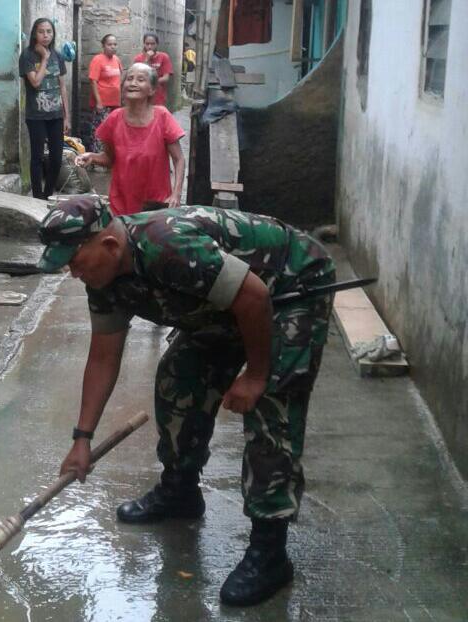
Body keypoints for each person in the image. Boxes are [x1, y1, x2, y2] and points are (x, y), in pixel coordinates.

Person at [36, 196, 335, 607]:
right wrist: (81, 439)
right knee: (179, 379)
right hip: (226, 303)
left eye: (75, 261)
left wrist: (256, 375)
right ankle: (180, 490)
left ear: (108, 245)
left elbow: (253, 297)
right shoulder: (104, 279)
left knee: (272, 408)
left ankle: (270, 550)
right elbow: (103, 357)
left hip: (289, 285)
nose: (73, 272)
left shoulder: (168, 247)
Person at [74, 63, 185, 215]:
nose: (133, 83)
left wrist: (176, 194)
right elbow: (109, 158)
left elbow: (179, 159)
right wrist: (91, 157)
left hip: (156, 204)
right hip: (121, 204)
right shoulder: (114, 119)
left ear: (152, 89)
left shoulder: (162, 116)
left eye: (140, 80)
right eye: (130, 78)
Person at [19, 18, 70, 200]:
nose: (46, 35)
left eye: (49, 31)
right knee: (38, 157)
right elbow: (35, 82)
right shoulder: (28, 56)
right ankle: (37, 196)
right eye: (41, 31)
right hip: (36, 116)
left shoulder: (58, 55)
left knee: (56, 159)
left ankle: (48, 195)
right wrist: (45, 58)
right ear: (34, 33)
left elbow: (62, 87)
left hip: (56, 115)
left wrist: (66, 117)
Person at [88, 34, 122, 153]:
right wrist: (98, 102)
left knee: (112, 131)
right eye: (109, 44)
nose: (113, 47)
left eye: (114, 44)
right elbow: (93, 81)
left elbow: (120, 77)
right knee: (100, 130)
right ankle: (97, 158)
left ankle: (108, 157)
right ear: (103, 46)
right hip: (102, 103)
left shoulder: (116, 59)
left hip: (115, 103)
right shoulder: (98, 60)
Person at [133, 33, 173, 107]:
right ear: (144, 44)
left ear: (157, 44)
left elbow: (166, 78)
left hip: (158, 97)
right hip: (142, 96)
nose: (149, 47)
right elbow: (138, 75)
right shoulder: (138, 59)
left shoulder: (164, 57)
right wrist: (147, 59)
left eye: (152, 44)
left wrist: (151, 82)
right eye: (147, 44)